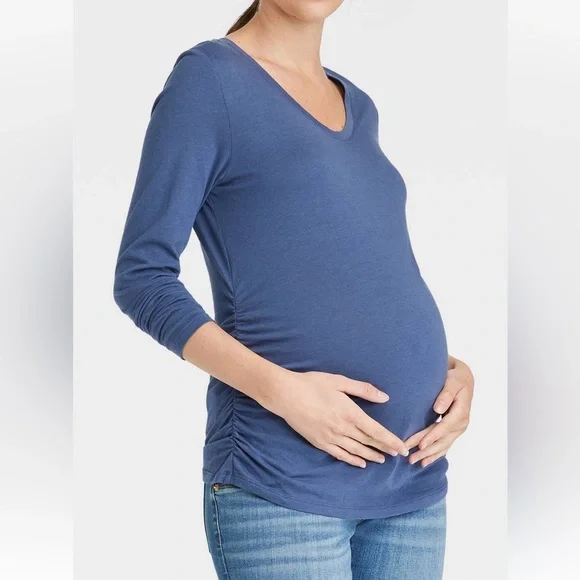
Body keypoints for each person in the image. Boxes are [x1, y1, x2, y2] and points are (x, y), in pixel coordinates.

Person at [113, 1, 475, 578]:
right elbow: (142, 277)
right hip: (283, 481)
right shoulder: (209, 80)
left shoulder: (359, 104)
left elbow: (356, 269)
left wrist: (449, 371)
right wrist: (284, 393)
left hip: (412, 479)